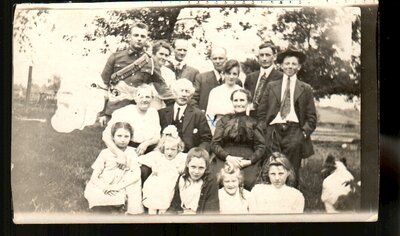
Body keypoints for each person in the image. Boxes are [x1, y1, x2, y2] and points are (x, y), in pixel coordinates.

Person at [257, 46, 317, 187]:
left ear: (299, 67)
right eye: (287, 63)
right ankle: (270, 201)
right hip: (273, 131)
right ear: (281, 65)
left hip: (295, 131)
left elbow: (312, 117)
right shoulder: (272, 86)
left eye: (293, 64)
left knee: (291, 169)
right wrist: (264, 130)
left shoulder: (305, 88)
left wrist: (303, 133)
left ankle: (291, 200)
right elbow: (261, 112)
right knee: (272, 166)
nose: (290, 66)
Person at [99, 22, 173, 124]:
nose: (139, 38)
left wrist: (176, 105)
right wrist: (102, 112)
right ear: (129, 37)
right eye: (136, 35)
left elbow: (162, 86)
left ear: (146, 39)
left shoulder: (151, 62)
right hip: (115, 109)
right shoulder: (116, 57)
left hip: (138, 111)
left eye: (142, 36)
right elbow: (103, 86)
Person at [102, 85, 161, 184]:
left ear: (152, 99)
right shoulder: (124, 112)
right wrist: (119, 153)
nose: (144, 100)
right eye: (140, 96)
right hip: (125, 149)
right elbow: (106, 136)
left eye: (147, 97)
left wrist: (146, 143)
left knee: (146, 171)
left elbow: (157, 137)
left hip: (146, 151)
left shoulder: (153, 113)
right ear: (135, 98)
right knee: (122, 173)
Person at [210, 89, 266, 190]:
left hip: (247, 159)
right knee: (219, 179)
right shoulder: (224, 120)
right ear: (232, 102)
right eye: (235, 100)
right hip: (225, 156)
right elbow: (215, 144)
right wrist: (228, 157)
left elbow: (261, 147)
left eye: (242, 100)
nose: (238, 103)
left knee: (248, 182)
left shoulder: (254, 122)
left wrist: (249, 161)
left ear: (248, 102)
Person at [84, 122, 143, 214]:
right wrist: (105, 187)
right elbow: (94, 176)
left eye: (126, 136)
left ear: (130, 138)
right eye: (119, 136)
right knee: (95, 195)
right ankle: (104, 207)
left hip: (119, 185)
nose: (123, 140)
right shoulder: (105, 153)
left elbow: (136, 174)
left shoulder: (132, 153)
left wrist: (115, 187)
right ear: (113, 137)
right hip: (103, 183)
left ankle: (115, 206)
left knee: (119, 198)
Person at [138, 125, 187, 214]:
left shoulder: (180, 157)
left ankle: (162, 216)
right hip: (155, 183)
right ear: (163, 148)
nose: (169, 152)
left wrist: (183, 167)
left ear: (178, 149)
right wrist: (153, 165)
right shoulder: (158, 156)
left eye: (173, 149)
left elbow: (191, 160)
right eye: (167, 149)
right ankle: (151, 216)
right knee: (152, 199)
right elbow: (140, 159)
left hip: (168, 185)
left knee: (163, 206)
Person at [158, 79, 212, 153]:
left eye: (187, 91)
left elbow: (206, 139)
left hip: (188, 155)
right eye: (181, 91)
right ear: (174, 93)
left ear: (191, 96)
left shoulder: (198, 115)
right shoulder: (162, 113)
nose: (184, 94)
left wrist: (196, 154)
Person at [167, 147, 219, 214]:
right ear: (187, 164)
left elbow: (211, 209)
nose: (196, 171)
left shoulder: (210, 181)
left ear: (206, 167)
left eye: (201, 168)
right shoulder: (182, 178)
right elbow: (175, 205)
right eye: (193, 167)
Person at [191, 47, 242, 112]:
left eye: (220, 58)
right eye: (215, 59)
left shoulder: (236, 81)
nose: (217, 61)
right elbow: (193, 99)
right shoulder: (201, 78)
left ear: (226, 59)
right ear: (211, 60)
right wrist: (199, 114)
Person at [244, 42, 283, 117]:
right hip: (250, 119)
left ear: (274, 57)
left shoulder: (280, 77)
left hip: (268, 119)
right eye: (261, 55)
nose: (264, 58)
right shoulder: (250, 77)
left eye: (267, 55)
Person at [206, 59, 242, 134]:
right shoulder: (215, 91)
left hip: (236, 129)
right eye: (228, 73)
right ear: (223, 74)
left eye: (234, 74)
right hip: (218, 128)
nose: (231, 77)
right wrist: (214, 132)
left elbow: (245, 115)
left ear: (238, 75)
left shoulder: (241, 91)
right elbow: (209, 115)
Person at [150, 40, 176, 109]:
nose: (164, 57)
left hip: (163, 110)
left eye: (166, 55)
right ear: (153, 54)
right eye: (161, 54)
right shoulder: (146, 70)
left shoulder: (170, 74)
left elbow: (172, 95)